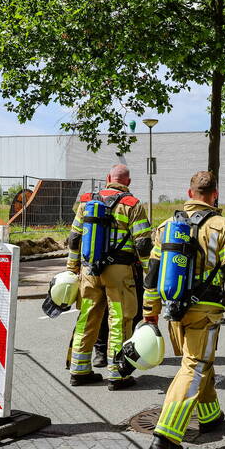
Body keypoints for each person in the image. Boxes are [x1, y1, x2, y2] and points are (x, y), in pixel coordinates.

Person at [142, 171, 225, 449]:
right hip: (205, 310)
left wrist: (149, 312)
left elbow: (152, 275)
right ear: (214, 194)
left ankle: (210, 416)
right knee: (195, 366)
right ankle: (166, 435)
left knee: (199, 360)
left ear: (189, 193)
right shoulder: (224, 226)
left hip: (173, 309)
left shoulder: (167, 226)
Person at [65, 165, 152, 388]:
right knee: (120, 320)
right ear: (128, 182)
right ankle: (118, 373)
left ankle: (79, 370)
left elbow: (74, 239)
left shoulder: (86, 201)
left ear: (107, 179)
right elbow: (143, 243)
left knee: (87, 317)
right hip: (119, 272)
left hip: (89, 270)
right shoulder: (132, 205)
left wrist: (72, 267)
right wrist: (147, 273)